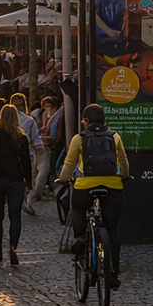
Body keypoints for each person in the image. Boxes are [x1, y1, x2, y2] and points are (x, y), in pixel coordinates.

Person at [57, 103, 131, 289]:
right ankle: (113, 273)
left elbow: (69, 162)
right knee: (112, 229)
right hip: (112, 186)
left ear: (85, 121)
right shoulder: (115, 137)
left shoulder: (78, 138)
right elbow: (123, 160)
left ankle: (81, 237)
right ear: (104, 121)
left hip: (85, 186)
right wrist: (124, 175)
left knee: (78, 208)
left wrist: (62, 179)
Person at [0, 104, 33, 265]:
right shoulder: (21, 137)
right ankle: (13, 248)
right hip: (15, 180)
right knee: (15, 216)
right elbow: (26, 162)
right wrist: (29, 182)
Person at [10, 93, 44, 216]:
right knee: (26, 180)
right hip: (26, 156)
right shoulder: (29, 121)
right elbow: (36, 141)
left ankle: (20, 201)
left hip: (10, 158)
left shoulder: (1, 121)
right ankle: (25, 201)